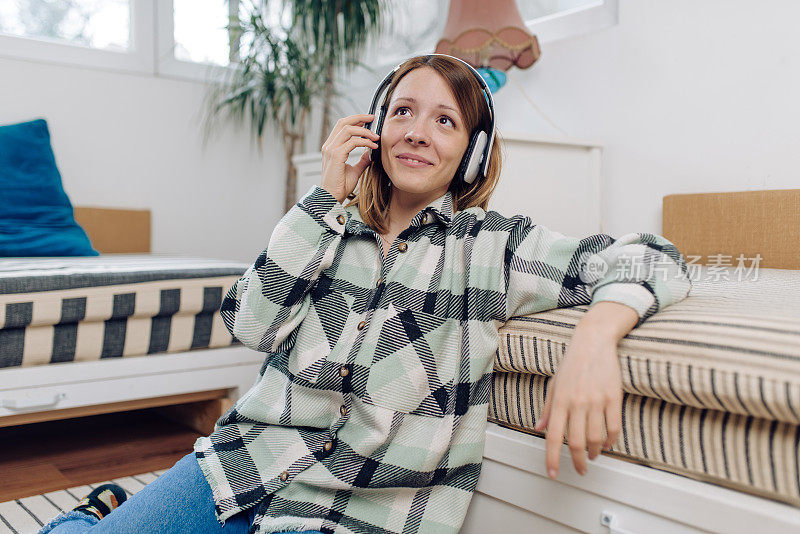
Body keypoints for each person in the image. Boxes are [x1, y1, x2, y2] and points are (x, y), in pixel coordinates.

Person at [40, 54, 691, 534]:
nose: (416, 131)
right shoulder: (326, 225)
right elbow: (249, 323)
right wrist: (324, 195)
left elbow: (652, 256)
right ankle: (101, 515)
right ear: (375, 128)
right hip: (241, 464)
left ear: (471, 154)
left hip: (352, 510)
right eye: (403, 111)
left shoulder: (495, 246)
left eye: (445, 121)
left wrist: (596, 338)